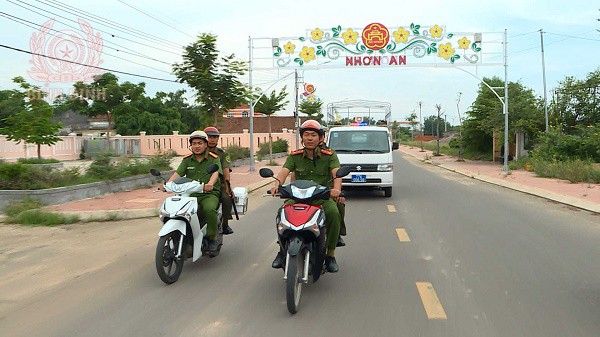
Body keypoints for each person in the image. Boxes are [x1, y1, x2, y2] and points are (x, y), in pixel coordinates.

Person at [270, 120, 343, 273]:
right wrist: (277, 184)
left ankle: (330, 255)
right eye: (306, 135)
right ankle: (282, 250)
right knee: (281, 213)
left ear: (321, 138)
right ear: (302, 138)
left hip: (322, 197)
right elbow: (284, 171)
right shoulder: (295, 156)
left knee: (333, 212)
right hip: (298, 197)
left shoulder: (329, 155)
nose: (309, 138)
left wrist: (336, 189)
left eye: (313, 135)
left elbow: (337, 173)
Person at [167, 131, 222, 253]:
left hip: (209, 194)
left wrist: (210, 184)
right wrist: (168, 184)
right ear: (190, 145)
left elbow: (215, 173)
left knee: (209, 209)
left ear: (206, 144)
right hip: (191, 194)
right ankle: (184, 236)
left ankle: (212, 237)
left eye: (200, 143)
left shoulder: (214, 159)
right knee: (180, 211)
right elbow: (178, 173)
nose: (197, 146)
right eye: (194, 143)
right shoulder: (187, 160)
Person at [204, 126, 234, 235]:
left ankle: (225, 223)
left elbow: (226, 171)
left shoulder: (222, 154)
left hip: (218, 183)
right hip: (199, 183)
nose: (212, 140)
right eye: (209, 137)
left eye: (214, 137)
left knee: (226, 198)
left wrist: (227, 187)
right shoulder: (199, 151)